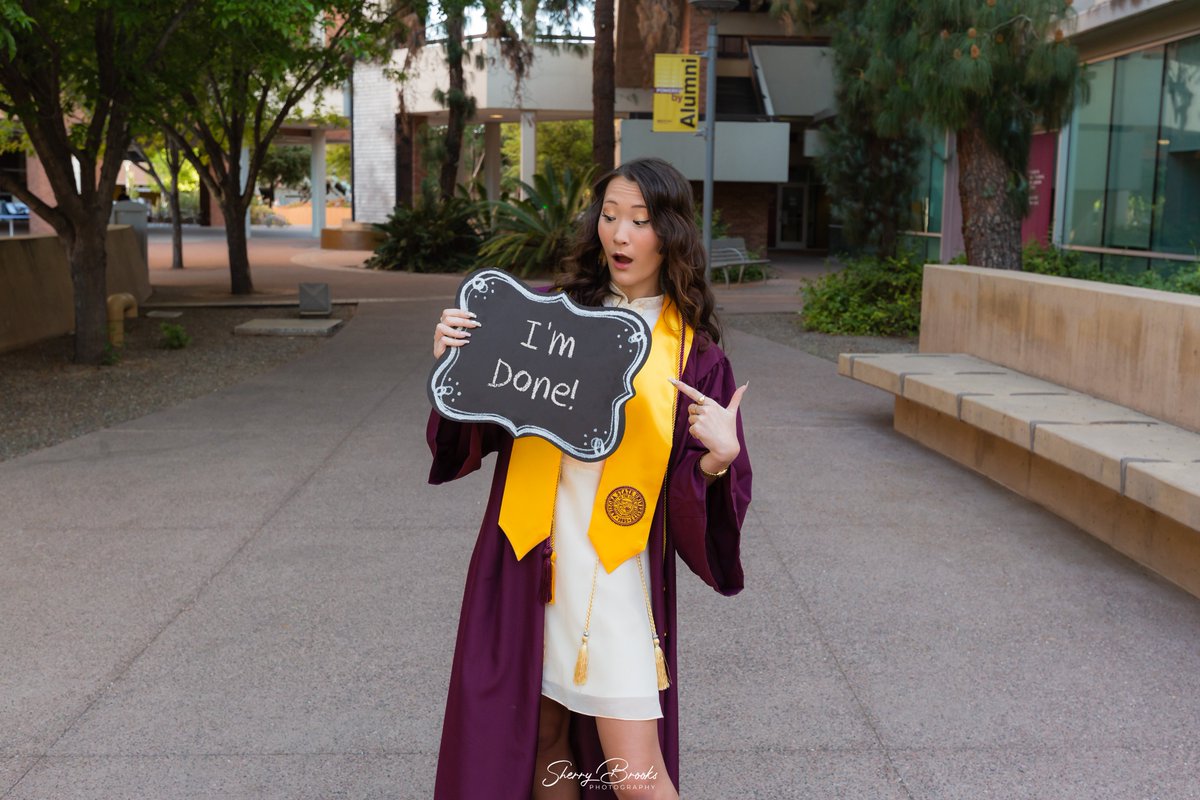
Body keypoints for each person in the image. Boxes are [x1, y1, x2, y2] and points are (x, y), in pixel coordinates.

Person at [427, 157, 752, 799]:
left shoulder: (695, 355)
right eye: (609, 217)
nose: (620, 237)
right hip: (530, 562)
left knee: (635, 779)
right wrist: (453, 364)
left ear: (672, 233)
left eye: (639, 221)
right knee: (546, 749)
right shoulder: (547, 317)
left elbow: (698, 497)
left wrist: (717, 461)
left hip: (617, 574)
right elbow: (478, 427)